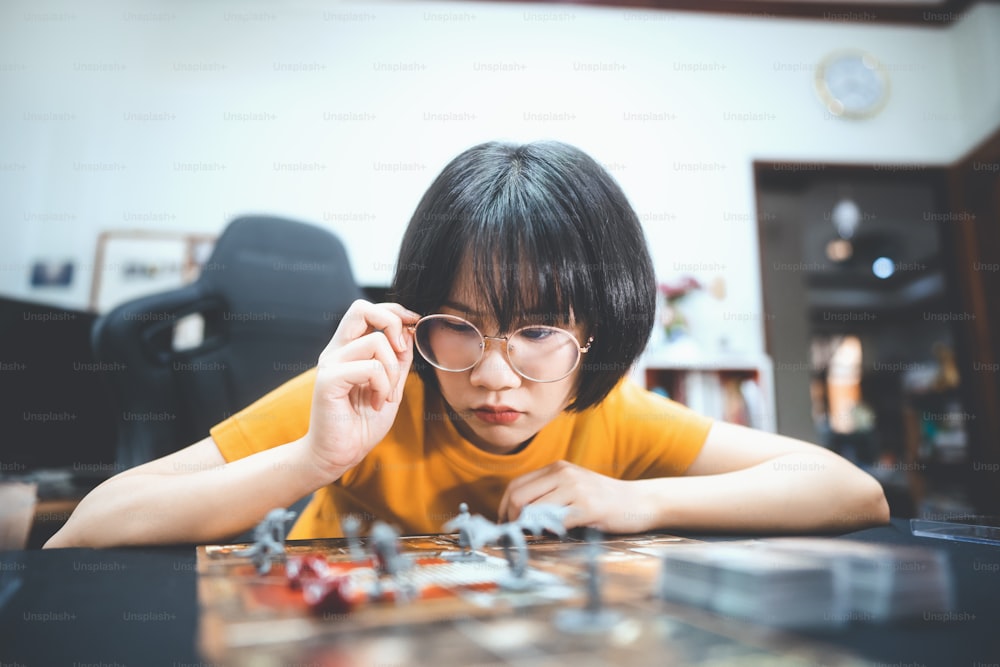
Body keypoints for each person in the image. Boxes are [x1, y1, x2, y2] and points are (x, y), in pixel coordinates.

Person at [46, 141, 889, 548]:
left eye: (537, 331)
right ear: (415, 318)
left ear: (593, 333)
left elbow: (851, 491)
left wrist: (643, 500)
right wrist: (312, 457)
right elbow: (87, 528)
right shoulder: (370, 395)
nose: (492, 373)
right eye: (460, 326)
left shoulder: (616, 418)